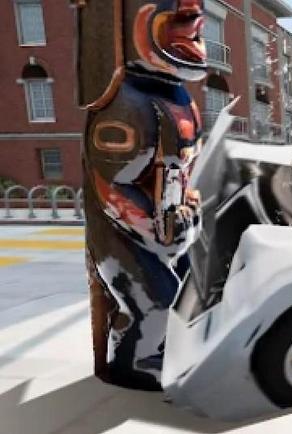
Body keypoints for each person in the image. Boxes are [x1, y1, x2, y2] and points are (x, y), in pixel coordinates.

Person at [74, 0, 207, 391]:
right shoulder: (125, 104)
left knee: (191, 296)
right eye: (176, 13)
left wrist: (186, 208)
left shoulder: (179, 97)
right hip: (123, 236)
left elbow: (179, 170)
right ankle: (134, 361)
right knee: (157, 303)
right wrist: (155, 227)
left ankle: (165, 348)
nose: (194, 16)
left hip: (169, 227)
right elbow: (112, 187)